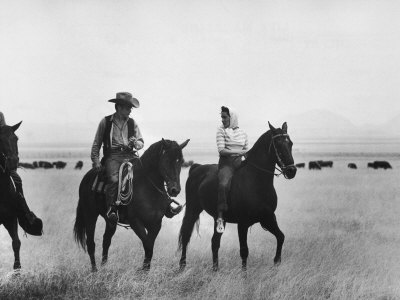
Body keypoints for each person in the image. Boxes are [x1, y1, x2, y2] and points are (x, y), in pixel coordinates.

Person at [0, 111, 42, 235]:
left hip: (4, 167)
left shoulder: (5, 129)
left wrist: (10, 160)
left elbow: (9, 146)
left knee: (17, 180)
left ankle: (24, 213)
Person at [216, 106, 248, 233]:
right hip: (226, 164)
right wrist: (241, 151)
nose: (222, 120)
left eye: (225, 117)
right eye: (222, 117)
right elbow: (222, 150)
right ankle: (220, 216)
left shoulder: (243, 133)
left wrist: (244, 153)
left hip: (240, 163)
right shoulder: (221, 131)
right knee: (223, 184)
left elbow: (246, 151)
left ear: (232, 117)